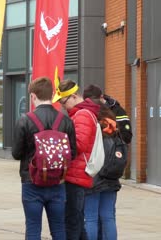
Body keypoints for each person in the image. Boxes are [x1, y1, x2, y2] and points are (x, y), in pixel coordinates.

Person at [12, 77, 77, 240]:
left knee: (33, 227)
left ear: (33, 96)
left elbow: (16, 154)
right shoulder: (66, 121)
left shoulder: (25, 121)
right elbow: (73, 153)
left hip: (31, 181)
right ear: (52, 94)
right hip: (57, 182)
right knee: (58, 228)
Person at [53, 77, 100, 240]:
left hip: (76, 176)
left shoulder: (81, 115)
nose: (62, 106)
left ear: (74, 96)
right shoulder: (81, 113)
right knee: (77, 222)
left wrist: (60, 141)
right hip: (77, 175)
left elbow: (79, 145)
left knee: (72, 222)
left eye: (64, 102)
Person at [83, 101, 123, 240]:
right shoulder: (114, 129)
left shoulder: (95, 128)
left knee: (91, 218)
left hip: (94, 180)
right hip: (112, 179)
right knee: (108, 217)